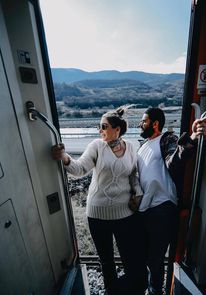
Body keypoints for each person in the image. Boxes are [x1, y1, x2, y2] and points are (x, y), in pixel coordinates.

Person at [51, 107, 147, 295]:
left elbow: (133, 175)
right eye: (99, 126)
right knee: (107, 262)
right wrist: (64, 157)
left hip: (124, 214)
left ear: (117, 129)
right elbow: (79, 170)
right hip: (97, 214)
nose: (99, 130)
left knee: (131, 260)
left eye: (103, 126)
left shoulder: (131, 147)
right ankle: (112, 291)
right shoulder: (97, 145)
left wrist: (138, 194)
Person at [135, 107, 206, 295]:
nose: (140, 124)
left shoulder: (166, 139)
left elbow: (175, 159)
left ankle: (155, 292)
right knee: (147, 256)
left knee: (156, 258)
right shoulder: (142, 146)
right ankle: (149, 288)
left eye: (144, 121)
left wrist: (192, 137)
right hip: (145, 208)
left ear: (155, 123)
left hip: (162, 206)